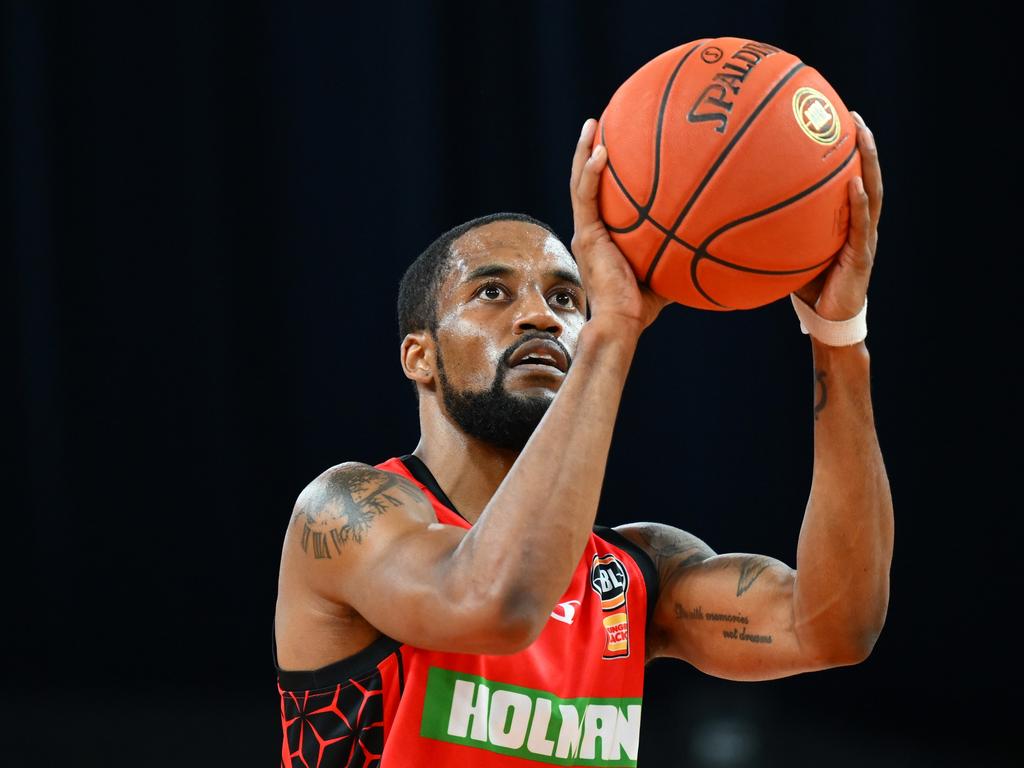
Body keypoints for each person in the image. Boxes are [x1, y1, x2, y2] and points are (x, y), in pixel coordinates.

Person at [273, 115, 892, 767]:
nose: (542, 314)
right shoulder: (345, 513)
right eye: (492, 292)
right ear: (419, 356)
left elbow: (833, 628)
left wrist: (838, 333)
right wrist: (613, 328)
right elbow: (494, 604)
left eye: (569, 298)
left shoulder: (634, 572)